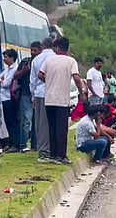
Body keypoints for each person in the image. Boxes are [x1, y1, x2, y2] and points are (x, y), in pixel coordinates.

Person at [39, 37, 86, 165]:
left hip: (49, 99)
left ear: (56, 48)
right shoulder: (71, 61)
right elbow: (76, 77)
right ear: (67, 48)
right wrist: (81, 93)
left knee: (52, 127)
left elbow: (40, 74)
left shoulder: (49, 60)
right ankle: (62, 155)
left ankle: (53, 154)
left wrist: (48, 82)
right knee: (62, 128)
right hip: (62, 100)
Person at [30, 37, 55, 163]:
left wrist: (33, 96)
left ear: (43, 46)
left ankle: (42, 148)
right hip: (53, 93)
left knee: (40, 124)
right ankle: (50, 149)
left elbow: (33, 80)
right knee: (52, 123)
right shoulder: (55, 58)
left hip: (39, 94)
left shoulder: (36, 60)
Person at [14, 41, 42, 152]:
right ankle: (23, 145)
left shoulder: (43, 62)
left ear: (40, 50)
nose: (32, 52)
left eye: (35, 50)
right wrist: (24, 70)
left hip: (38, 94)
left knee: (37, 121)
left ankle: (35, 145)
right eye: (31, 50)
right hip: (26, 94)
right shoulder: (26, 62)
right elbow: (15, 76)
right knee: (26, 121)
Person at [0, 49, 20, 152]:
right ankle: (10, 143)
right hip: (5, 98)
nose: (4, 59)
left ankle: (15, 144)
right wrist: (1, 81)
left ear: (12, 58)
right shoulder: (7, 69)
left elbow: (6, 84)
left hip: (10, 98)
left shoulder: (14, 69)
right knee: (7, 122)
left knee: (12, 122)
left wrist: (2, 81)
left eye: (6, 57)